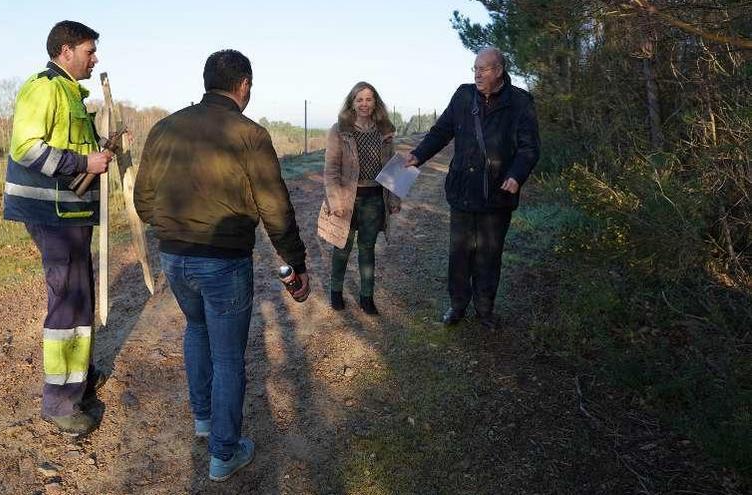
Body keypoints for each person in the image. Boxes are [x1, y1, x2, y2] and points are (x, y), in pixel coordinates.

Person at [134, 49, 310, 482]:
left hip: (174, 256)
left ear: (207, 80)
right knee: (229, 357)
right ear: (244, 85)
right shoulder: (249, 134)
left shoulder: (165, 128)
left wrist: (173, 227)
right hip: (223, 261)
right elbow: (275, 205)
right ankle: (224, 454)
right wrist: (294, 260)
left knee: (196, 329)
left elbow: (142, 201)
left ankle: (204, 420)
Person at [2, 20, 112, 436]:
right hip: (52, 215)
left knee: (80, 297)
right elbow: (27, 147)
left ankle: (77, 374)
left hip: (71, 213)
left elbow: (74, 149)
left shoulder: (71, 94)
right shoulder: (44, 87)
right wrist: (85, 164)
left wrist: (98, 154)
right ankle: (60, 402)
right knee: (67, 301)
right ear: (65, 51)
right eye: (89, 50)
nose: (94, 57)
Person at [405, 47, 540, 329]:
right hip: (463, 191)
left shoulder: (520, 103)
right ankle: (457, 306)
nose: (477, 74)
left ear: (499, 71)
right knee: (460, 254)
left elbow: (529, 148)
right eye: (475, 69)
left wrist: (516, 175)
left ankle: (485, 309)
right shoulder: (463, 96)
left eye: (484, 69)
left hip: (498, 195)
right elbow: (441, 131)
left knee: (489, 256)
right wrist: (418, 155)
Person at [321, 82, 400, 315]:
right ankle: (335, 292)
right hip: (346, 200)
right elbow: (331, 170)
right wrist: (335, 202)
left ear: (375, 101)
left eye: (369, 99)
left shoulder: (384, 130)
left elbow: (393, 167)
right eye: (359, 99)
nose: (364, 104)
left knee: (367, 249)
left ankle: (367, 297)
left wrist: (393, 199)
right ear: (352, 102)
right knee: (342, 247)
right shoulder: (339, 129)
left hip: (374, 200)